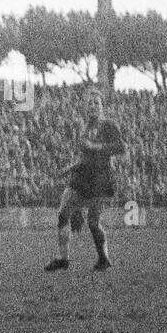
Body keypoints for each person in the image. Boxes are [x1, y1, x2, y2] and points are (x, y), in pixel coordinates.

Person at [45, 89, 125, 272]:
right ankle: (63, 259)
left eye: (96, 103)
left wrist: (96, 146)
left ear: (102, 106)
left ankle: (103, 258)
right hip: (83, 178)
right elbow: (85, 158)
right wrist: (69, 168)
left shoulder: (108, 125)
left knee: (93, 222)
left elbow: (121, 147)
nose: (93, 106)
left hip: (100, 180)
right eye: (90, 103)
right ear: (85, 107)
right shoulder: (85, 128)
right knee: (63, 212)